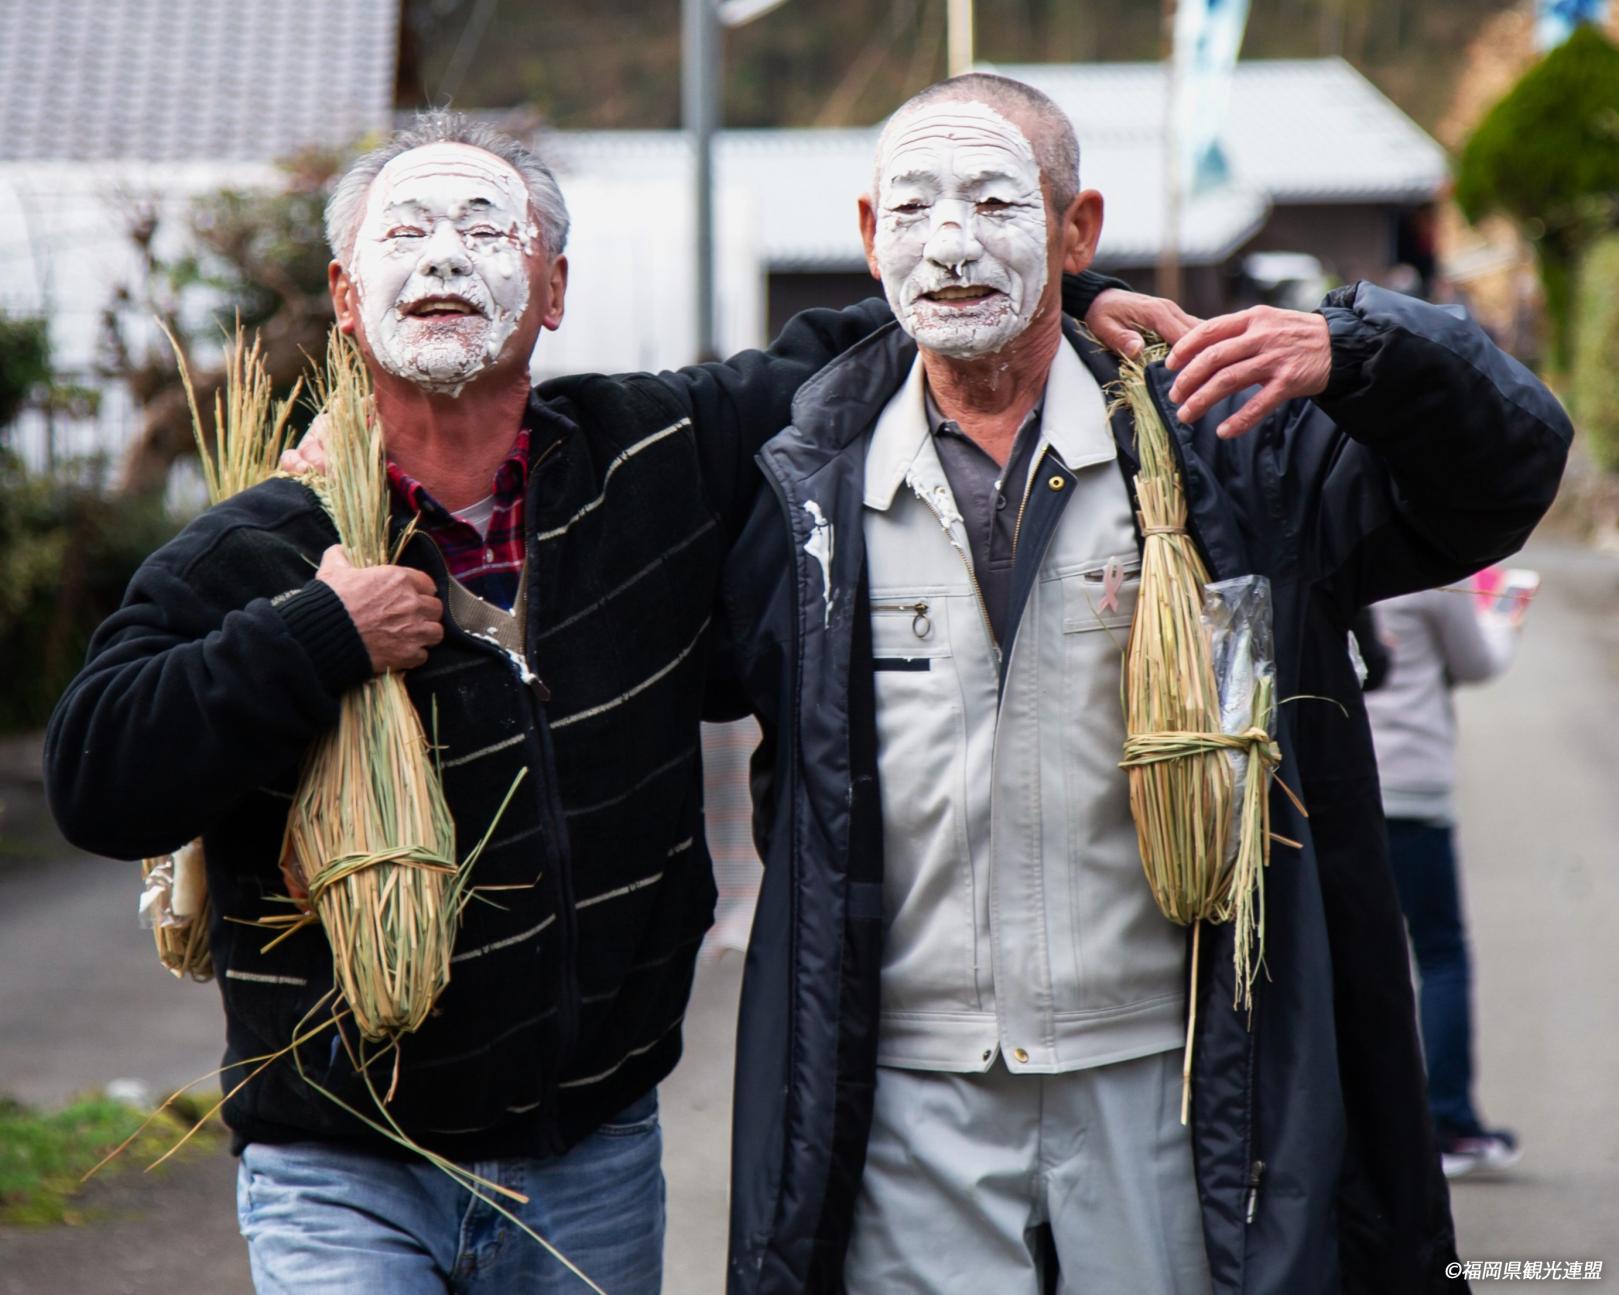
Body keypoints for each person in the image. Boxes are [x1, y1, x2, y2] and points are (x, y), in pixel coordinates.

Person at [42, 111, 1178, 1293]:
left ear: (554, 289)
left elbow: (862, 340)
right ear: (344, 293)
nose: (441, 259)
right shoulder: (266, 544)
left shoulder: (652, 457)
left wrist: (1068, 289)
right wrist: (318, 636)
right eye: (408, 231)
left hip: (591, 1156)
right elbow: (95, 771)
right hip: (342, 1170)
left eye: (487, 229)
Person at [716, 73, 1571, 1294]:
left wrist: (1367, 349)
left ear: (1076, 231)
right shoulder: (798, 485)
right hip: (906, 1097)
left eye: (993, 201)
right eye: (907, 209)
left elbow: (1504, 471)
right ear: (865, 238)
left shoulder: (1222, 448)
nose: (947, 241)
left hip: (1165, 1082)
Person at [1365, 579, 1526, 1177]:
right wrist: (1505, 620)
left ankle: (1368, 1128)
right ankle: (1450, 1123)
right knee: (1440, 954)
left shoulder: (1337, 533)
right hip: (1413, 783)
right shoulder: (1436, 567)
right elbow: (1477, 661)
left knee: (1359, 960)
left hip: (1346, 779)